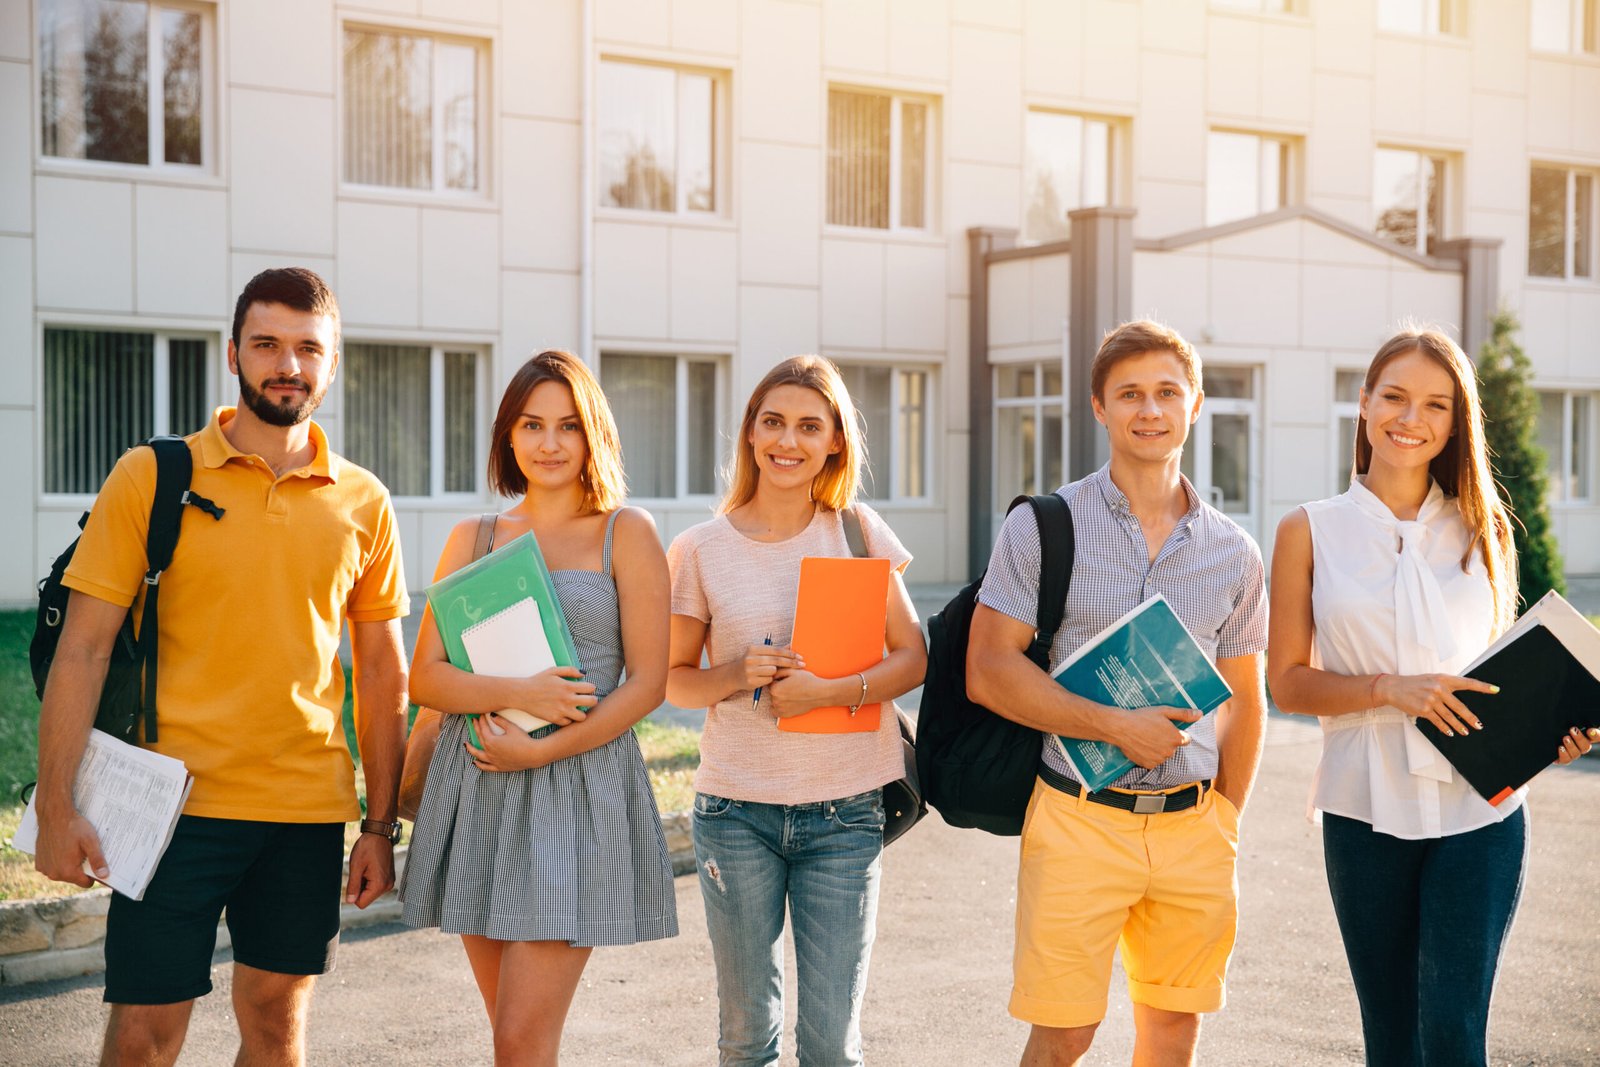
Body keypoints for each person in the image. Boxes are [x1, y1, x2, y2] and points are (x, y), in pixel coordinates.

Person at [34, 267, 410, 1066]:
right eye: (268, 343)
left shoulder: (364, 502)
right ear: (232, 351)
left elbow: (382, 674)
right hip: (172, 810)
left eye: (309, 348)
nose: (289, 364)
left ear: (332, 363)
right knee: (143, 1034)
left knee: (276, 1024)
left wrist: (378, 824)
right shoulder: (151, 476)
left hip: (306, 812)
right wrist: (59, 805)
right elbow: (84, 648)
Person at [1266, 326, 1597, 1066]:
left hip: (1479, 807)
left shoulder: (1486, 529)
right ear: (1363, 403)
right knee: (1391, 1037)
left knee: (1452, 1034)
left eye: (1436, 404)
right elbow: (1285, 681)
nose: (1411, 418)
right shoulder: (1308, 531)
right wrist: (1389, 688)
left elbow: (1506, 674)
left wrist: (1556, 731)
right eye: (1395, 396)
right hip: (1365, 807)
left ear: (1455, 422)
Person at [966, 320, 1269, 1067]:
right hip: (1077, 817)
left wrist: (1224, 817)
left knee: (1172, 1031)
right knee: (1064, 1032)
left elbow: (1247, 701)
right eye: (1129, 393)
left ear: (1195, 404)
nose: (1150, 409)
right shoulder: (1043, 527)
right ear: (1099, 407)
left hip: (1193, 824)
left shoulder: (1234, 551)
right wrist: (1114, 724)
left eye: (1168, 391)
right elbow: (988, 669)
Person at [399, 350, 678, 1065]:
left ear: (594, 436)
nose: (550, 443)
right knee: (514, 1043)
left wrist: (543, 746)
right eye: (532, 424)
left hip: (579, 791)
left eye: (568, 425)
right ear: (508, 435)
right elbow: (426, 678)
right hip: (482, 789)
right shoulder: (476, 538)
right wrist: (519, 694)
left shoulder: (628, 531)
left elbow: (647, 683)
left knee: (522, 1039)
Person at [665, 355, 927, 1067]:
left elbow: (912, 656)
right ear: (750, 433)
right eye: (773, 421)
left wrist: (830, 692)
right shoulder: (699, 549)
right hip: (736, 813)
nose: (789, 439)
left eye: (810, 425)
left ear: (836, 440)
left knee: (832, 1046)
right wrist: (734, 672)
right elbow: (674, 682)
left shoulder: (857, 531)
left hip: (846, 812)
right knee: (747, 1040)